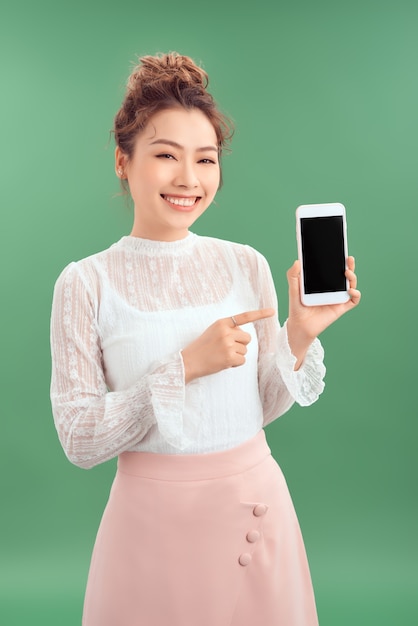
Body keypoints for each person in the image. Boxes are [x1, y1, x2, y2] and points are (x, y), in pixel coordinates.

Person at [50, 52, 360, 626]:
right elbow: (80, 438)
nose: (189, 179)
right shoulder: (85, 282)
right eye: (166, 155)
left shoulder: (245, 264)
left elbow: (259, 407)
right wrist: (184, 367)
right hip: (148, 528)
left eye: (206, 159)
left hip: (252, 511)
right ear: (124, 161)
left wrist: (299, 334)